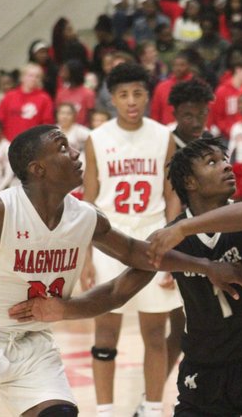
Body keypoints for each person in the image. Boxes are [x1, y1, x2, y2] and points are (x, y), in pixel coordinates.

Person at [0, 125, 242, 417]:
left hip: (30, 344)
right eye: (63, 147)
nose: (76, 153)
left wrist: (206, 266)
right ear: (38, 168)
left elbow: (138, 254)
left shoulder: (85, 217)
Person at [13, 137, 242, 416]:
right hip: (203, 371)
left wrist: (185, 228)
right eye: (212, 162)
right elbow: (117, 292)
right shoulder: (167, 239)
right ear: (190, 182)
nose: (226, 166)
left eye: (225, 160)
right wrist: (64, 309)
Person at [82, 62, 184, 417]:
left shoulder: (163, 136)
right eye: (123, 95)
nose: (131, 101)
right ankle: (105, 411)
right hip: (110, 243)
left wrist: (172, 240)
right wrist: (84, 258)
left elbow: (172, 192)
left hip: (152, 243)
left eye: (138, 93)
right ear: (112, 99)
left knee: (155, 332)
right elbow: (89, 201)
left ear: (147, 96)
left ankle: (153, 407)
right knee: (105, 332)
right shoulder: (97, 139)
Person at [0, 63, 55, 142]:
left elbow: (47, 124)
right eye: (30, 75)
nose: (33, 79)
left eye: (37, 77)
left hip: (32, 144)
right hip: (8, 142)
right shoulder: (9, 96)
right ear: (22, 77)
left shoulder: (45, 99)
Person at [210, 56, 242, 141]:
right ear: (238, 70)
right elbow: (217, 116)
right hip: (227, 136)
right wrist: (230, 130)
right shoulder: (222, 90)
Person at [169, 79, 214, 148]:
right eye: (188, 117)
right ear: (176, 115)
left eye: (201, 114)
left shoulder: (210, 141)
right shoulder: (166, 147)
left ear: (208, 111)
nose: (196, 124)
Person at [56, 59, 96, 126]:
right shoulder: (60, 92)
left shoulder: (88, 93)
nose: (61, 74)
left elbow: (91, 117)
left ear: (73, 73)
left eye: (65, 71)